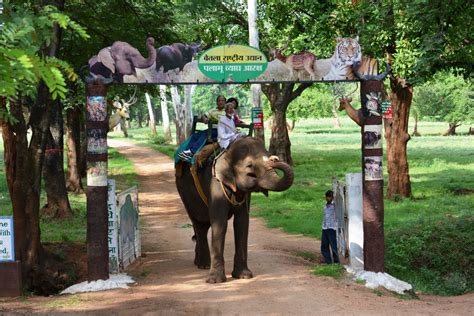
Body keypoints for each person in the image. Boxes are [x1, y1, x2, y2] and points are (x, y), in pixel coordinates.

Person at [177, 95, 226, 161]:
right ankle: (186, 152)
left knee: (205, 134)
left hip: (221, 131)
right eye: (219, 100)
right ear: (217, 102)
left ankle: (192, 152)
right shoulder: (213, 110)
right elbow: (204, 115)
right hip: (211, 130)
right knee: (195, 135)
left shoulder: (227, 111)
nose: (221, 102)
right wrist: (204, 118)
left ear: (225, 102)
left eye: (222, 101)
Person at [321, 190, 340, 264]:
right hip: (325, 228)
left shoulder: (335, 206)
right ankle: (328, 261)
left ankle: (336, 262)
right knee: (324, 246)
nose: (329, 199)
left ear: (333, 198)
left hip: (332, 228)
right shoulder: (325, 205)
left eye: (330, 197)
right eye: (327, 197)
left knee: (334, 246)